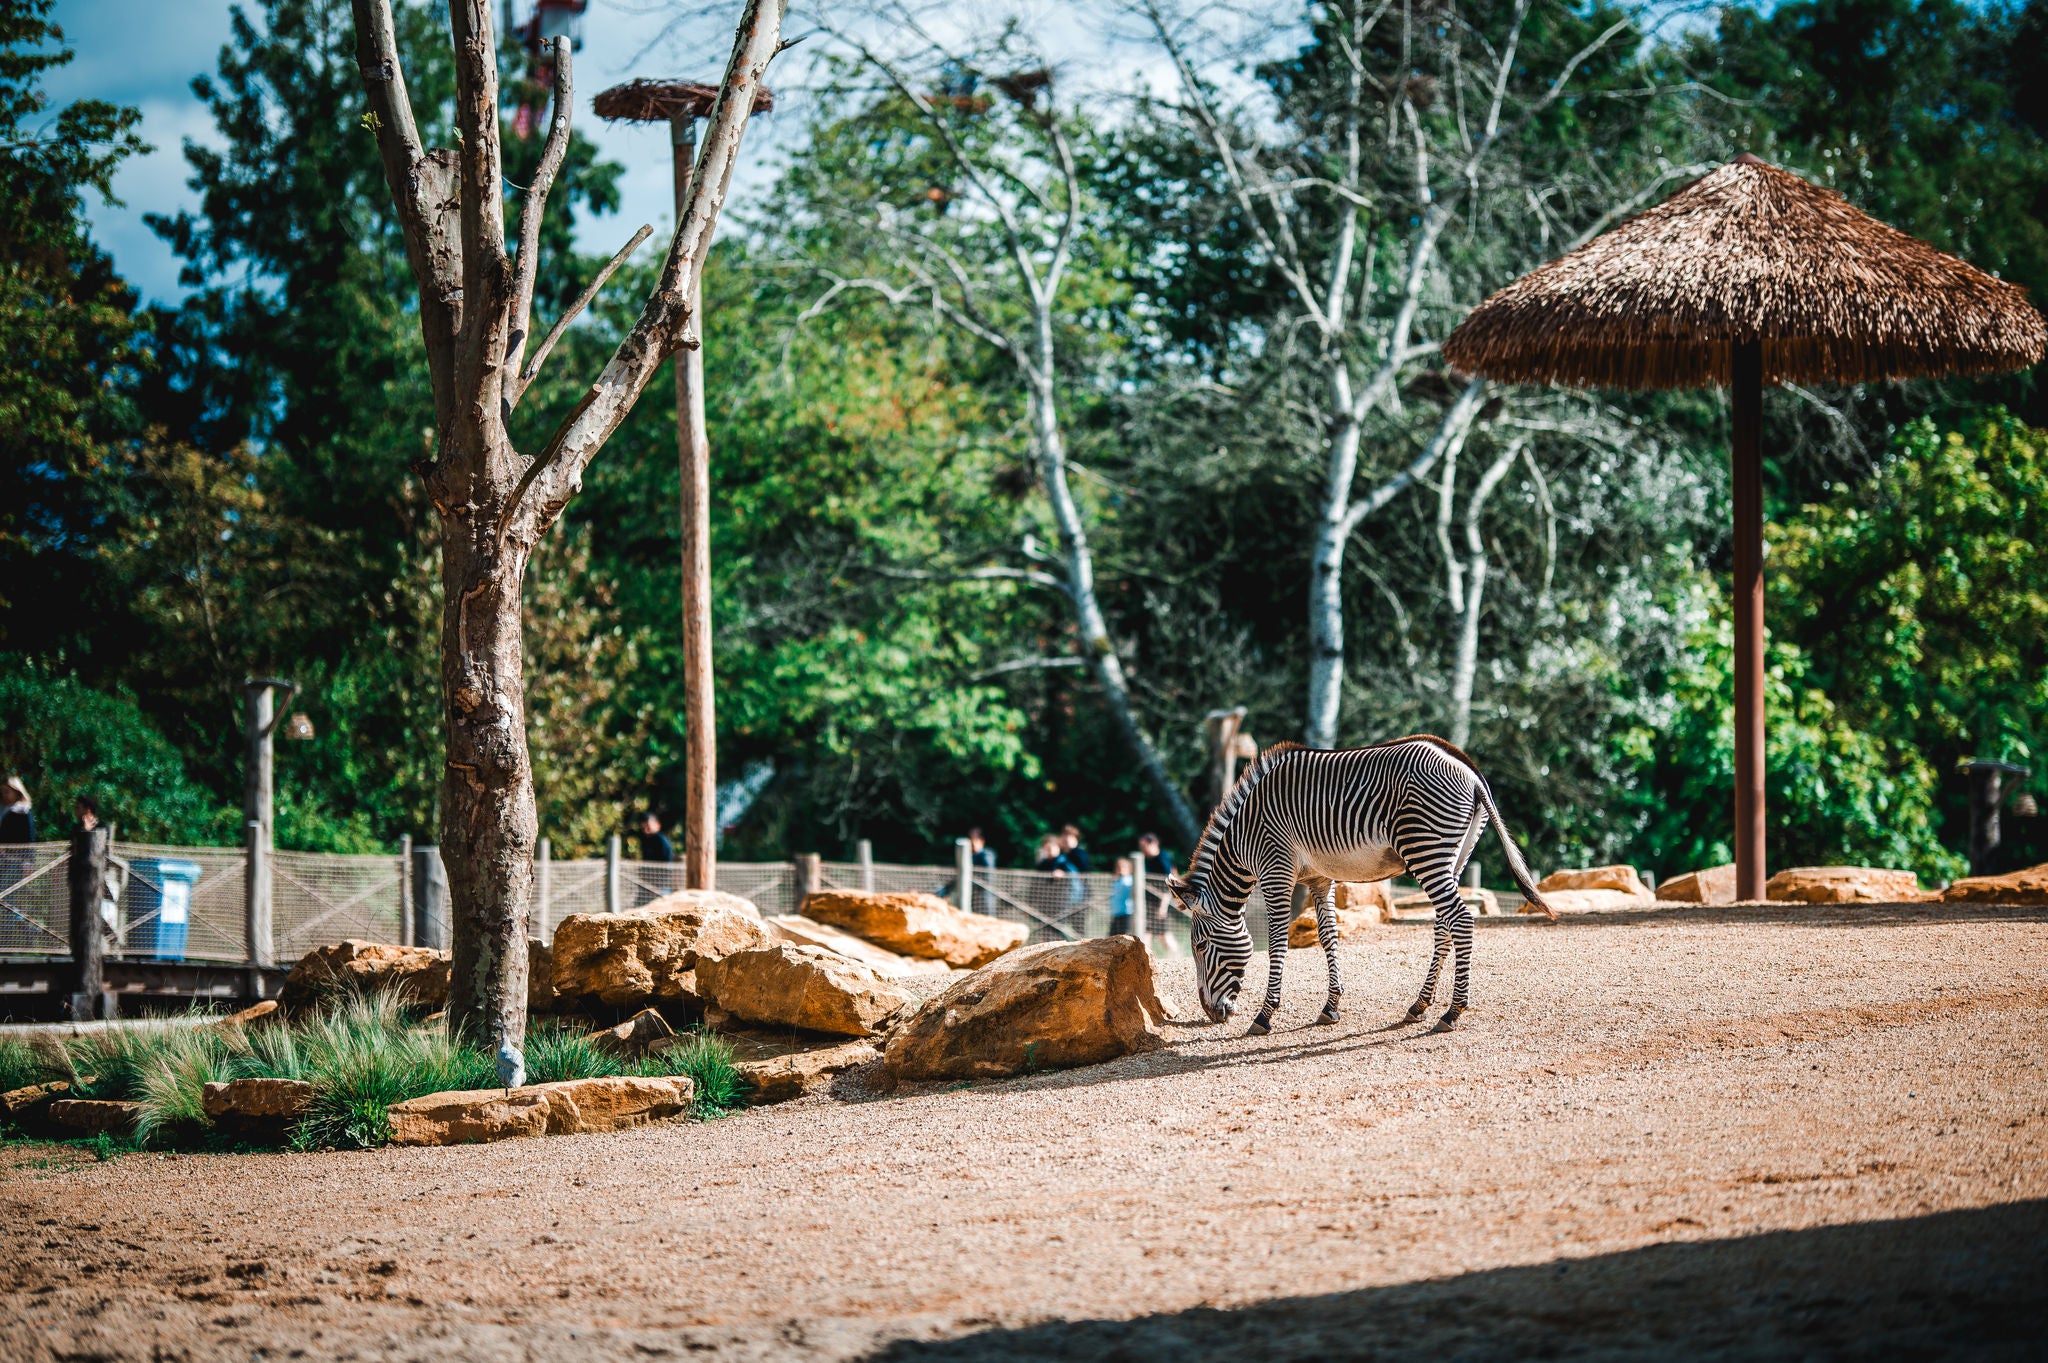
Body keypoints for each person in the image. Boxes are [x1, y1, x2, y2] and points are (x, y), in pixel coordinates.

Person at [0, 777, 33, 845]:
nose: (4, 795)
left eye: (7, 791)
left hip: (18, 852)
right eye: (2, 792)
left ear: (16, 791)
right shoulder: (3, 808)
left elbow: (28, 838)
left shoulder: (23, 811)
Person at [1108, 856, 1135, 936]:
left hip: (1126, 913)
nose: (1120, 869)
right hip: (1117, 914)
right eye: (1118, 867)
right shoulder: (1118, 880)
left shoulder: (1128, 880)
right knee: (1112, 938)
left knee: (1123, 938)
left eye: (1123, 867)